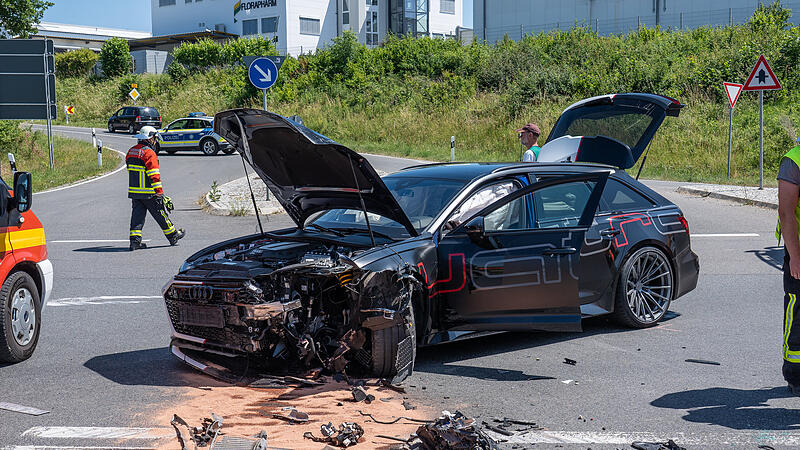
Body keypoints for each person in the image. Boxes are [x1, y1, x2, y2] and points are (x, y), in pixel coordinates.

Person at [127, 125, 185, 251]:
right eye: (154, 138)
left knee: (137, 218)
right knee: (160, 214)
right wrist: (159, 193)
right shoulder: (149, 153)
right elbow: (154, 176)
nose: (155, 141)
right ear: (150, 138)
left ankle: (134, 242)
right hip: (149, 192)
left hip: (135, 193)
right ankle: (173, 236)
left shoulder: (131, 151)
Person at [776, 137, 800, 396]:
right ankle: (795, 374)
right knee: (798, 308)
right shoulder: (794, 159)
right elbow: (786, 213)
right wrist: (795, 256)